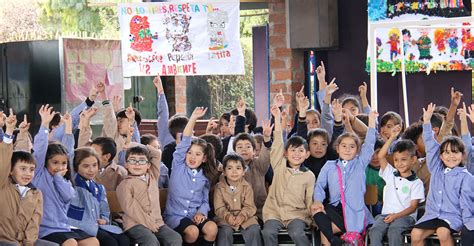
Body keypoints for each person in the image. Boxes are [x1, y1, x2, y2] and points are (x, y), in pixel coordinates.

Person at [33, 105, 99, 246]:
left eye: (64, 164)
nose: (60, 167)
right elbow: (39, 149)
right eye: (55, 163)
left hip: (63, 227)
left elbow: (68, 195)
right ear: (45, 162)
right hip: (44, 230)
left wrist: (68, 127)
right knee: (70, 243)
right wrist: (44, 124)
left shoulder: (64, 180)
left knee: (92, 241)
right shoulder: (39, 174)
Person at [312, 109, 378, 246]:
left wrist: (372, 122)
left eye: (352, 147)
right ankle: (336, 241)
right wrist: (318, 200)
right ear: (337, 149)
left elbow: (370, 144)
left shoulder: (360, 163)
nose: (347, 149)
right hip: (334, 208)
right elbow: (319, 185)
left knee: (324, 229)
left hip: (354, 211)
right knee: (317, 213)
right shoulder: (329, 165)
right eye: (344, 146)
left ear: (357, 150)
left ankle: (333, 241)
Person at [411, 103, 474, 246]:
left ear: (462, 155)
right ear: (440, 156)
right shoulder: (436, 168)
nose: (450, 156)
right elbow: (431, 146)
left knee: (442, 232)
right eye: (446, 152)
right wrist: (426, 123)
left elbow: (466, 202)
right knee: (415, 234)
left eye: (455, 152)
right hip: (433, 214)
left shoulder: (466, 177)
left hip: (453, 217)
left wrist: (467, 224)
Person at [261, 105, 315, 246]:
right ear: (286, 153)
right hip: (274, 213)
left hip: (297, 215)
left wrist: (313, 217)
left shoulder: (309, 175)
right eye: (293, 150)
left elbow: (309, 199)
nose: (297, 154)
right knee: (267, 232)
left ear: (307, 154)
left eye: (301, 151)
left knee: (297, 233)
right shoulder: (280, 166)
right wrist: (277, 118)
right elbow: (278, 144)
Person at [163, 107, 218, 246]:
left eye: (198, 154)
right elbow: (185, 141)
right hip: (175, 216)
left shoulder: (204, 176)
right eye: (190, 153)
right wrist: (193, 118)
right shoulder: (178, 166)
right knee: (193, 231)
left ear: (204, 159)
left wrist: (201, 213)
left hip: (194, 215)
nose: (192, 157)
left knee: (212, 228)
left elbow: (204, 200)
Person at [369, 126, 424, 246]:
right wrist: (392, 138)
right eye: (396, 160)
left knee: (394, 230)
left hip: (405, 217)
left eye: (403, 159)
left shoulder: (416, 183)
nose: (399, 163)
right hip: (385, 215)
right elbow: (381, 156)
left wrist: (396, 216)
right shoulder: (390, 173)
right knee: (374, 231)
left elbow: (413, 207)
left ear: (413, 160)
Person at [117, 144, 182, 246]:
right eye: (132, 160)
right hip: (135, 224)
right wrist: (149, 223)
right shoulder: (125, 185)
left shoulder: (152, 176)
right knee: (150, 242)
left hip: (157, 223)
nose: (137, 164)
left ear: (148, 165)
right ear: (126, 164)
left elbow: (156, 154)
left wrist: (138, 145)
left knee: (175, 238)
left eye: (142, 160)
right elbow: (132, 209)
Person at [0, 110, 46, 246]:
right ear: (10, 171)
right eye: (23, 169)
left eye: (31, 170)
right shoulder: (3, 184)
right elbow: (4, 160)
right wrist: (8, 130)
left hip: (23, 242)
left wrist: (29, 243)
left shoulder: (35, 193)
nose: (28, 174)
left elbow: (34, 222)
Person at [68, 147, 129, 246]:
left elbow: (104, 210)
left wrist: (104, 219)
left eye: (94, 165)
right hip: (79, 227)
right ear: (75, 167)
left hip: (98, 226)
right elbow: (69, 156)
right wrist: (68, 132)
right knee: (110, 242)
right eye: (85, 166)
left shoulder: (99, 188)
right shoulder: (72, 184)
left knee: (124, 240)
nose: (91, 170)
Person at [214, 153, 262, 246]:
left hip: (245, 217)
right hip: (225, 218)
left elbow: (249, 206)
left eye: (238, 168)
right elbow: (219, 207)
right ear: (224, 171)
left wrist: (242, 216)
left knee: (254, 230)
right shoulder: (219, 187)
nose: (234, 171)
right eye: (229, 168)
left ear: (244, 171)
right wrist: (228, 216)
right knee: (224, 232)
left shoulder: (247, 186)